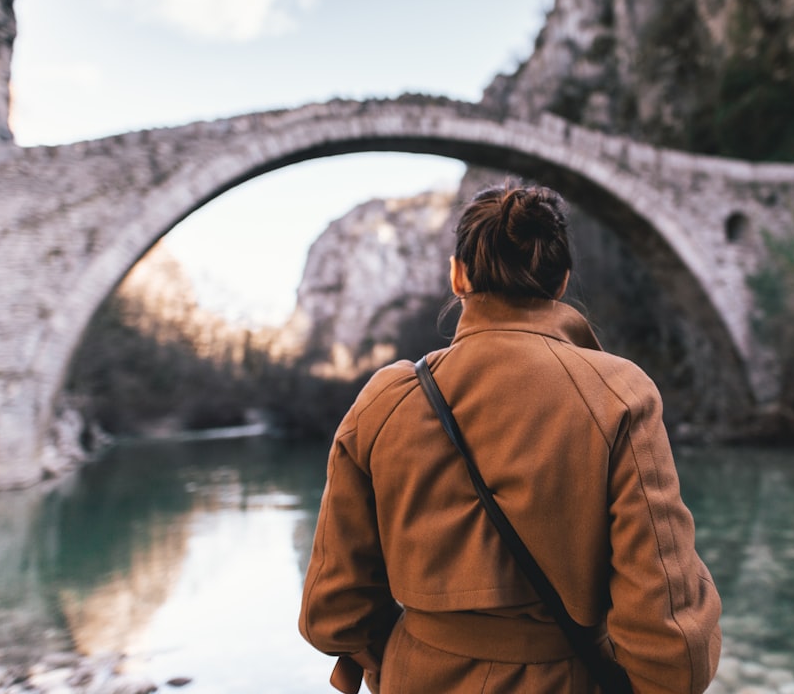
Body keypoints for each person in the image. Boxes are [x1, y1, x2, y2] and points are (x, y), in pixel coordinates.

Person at [299, 182, 722, 694]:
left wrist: (403, 656)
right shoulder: (619, 394)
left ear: (458, 276)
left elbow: (332, 612)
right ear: (560, 281)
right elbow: (671, 644)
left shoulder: (385, 402)